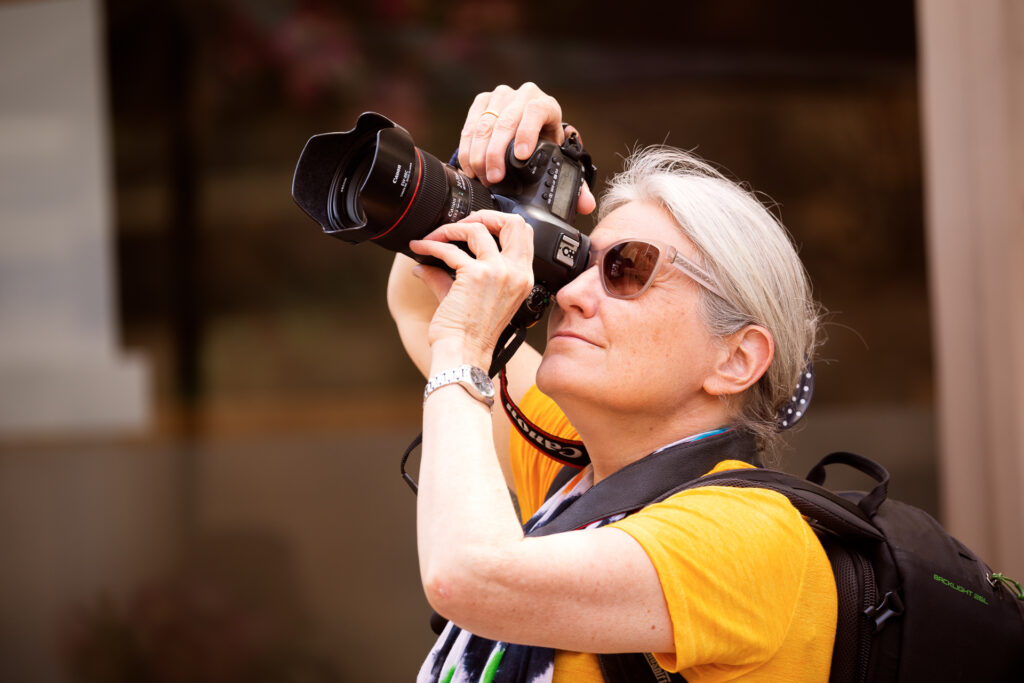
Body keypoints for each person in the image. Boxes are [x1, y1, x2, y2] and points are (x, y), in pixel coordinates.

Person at [387, 82, 836, 682]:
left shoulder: (752, 538)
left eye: (626, 270)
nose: (569, 294)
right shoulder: (579, 470)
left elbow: (470, 576)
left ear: (736, 359)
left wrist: (466, 344)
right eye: (577, 263)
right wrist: (492, 174)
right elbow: (416, 304)